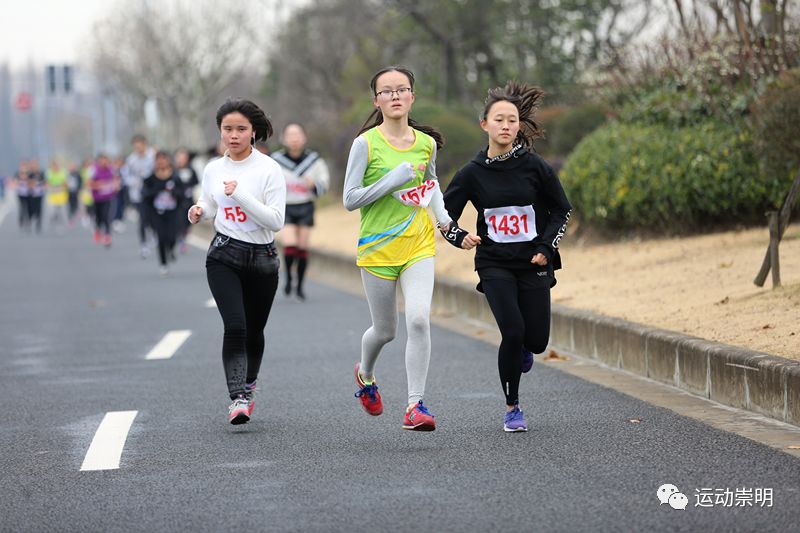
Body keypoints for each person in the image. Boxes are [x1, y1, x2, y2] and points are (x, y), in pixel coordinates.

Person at [441, 81, 572, 432]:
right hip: (494, 262)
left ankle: (524, 350)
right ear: (484, 124)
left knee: (537, 341)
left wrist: (546, 248)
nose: (506, 126)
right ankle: (513, 407)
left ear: (518, 126)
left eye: (512, 120)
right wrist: (459, 237)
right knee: (512, 332)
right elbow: (442, 215)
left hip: (533, 262)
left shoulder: (535, 166)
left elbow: (563, 209)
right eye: (498, 119)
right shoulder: (471, 173)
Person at [343, 66, 453, 431]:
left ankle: (414, 405)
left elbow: (432, 183)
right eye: (386, 91)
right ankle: (366, 375)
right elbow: (350, 199)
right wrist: (392, 179)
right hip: (377, 249)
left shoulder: (426, 143)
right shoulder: (366, 144)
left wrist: (444, 219)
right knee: (385, 330)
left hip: (418, 243)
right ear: (376, 100)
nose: (394, 96)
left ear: (411, 96)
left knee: (419, 319)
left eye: (401, 89)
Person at [188, 98, 286, 425]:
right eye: (227, 129)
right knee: (235, 325)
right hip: (224, 254)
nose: (233, 135)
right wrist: (201, 211)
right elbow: (211, 201)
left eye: (241, 129)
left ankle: (249, 383)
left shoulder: (269, 169)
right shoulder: (214, 169)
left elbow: (275, 221)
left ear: (253, 132)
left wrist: (239, 194)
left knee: (254, 330)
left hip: (263, 258)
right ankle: (238, 398)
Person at [271, 123, 330, 300]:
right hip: (286, 206)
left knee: (303, 246)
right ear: (283, 139)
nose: (294, 138)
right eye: (290, 134)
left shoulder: (314, 160)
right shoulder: (275, 161)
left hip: (305, 205)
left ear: (304, 137)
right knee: (290, 244)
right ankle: (288, 276)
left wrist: (315, 185)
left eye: (298, 134)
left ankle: (300, 284)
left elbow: (324, 183)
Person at [142, 152, 185, 276]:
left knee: (172, 237)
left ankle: (170, 249)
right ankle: (163, 264)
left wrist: (173, 192)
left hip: (173, 211)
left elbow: (181, 195)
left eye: (163, 159)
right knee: (161, 237)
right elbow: (145, 195)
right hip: (156, 212)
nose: (161, 162)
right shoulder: (150, 178)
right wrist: (159, 189)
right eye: (158, 159)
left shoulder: (175, 177)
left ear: (168, 161)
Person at [123, 135, 156, 257]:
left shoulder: (152, 157)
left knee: (152, 217)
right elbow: (126, 177)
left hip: (152, 193)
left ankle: (153, 233)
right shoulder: (131, 160)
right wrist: (134, 182)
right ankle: (144, 244)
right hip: (138, 194)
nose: (138, 148)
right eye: (136, 146)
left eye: (140, 145)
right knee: (142, 219)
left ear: (144, 144)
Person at [89, 154, 120, 248]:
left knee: (107, 216)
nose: (104, 162)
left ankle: (107, 235)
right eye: (102, 160)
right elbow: (89, 183)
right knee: (98, 217)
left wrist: (116, 186)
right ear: (98, 161)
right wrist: (98, 184)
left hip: (108, 198)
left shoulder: (111, 169)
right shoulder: (94, 170)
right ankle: (98, 230)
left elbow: (116, 180)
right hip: (97, 198)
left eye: (106, 160)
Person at [174, 148, 199, 254]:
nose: (182, 159)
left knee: (188, 222)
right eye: (180, 157)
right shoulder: (174, 171)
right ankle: (181, 239)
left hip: (189, 201)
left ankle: (184, 237)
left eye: (184, 157)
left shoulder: (191, 170)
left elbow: (196, 182)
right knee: (179, 222)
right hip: (177, 201)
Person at [45, 159, 69, 234]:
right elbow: (47, 183)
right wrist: (52, 187)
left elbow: (66, 183)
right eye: (54, 166)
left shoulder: (63, 172)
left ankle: (61, 225)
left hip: (62, 196)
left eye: (56, 166)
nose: (55, 167)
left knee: (62, 213)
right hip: (52, 196)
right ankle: (52, 221)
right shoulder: (49, 172)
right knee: (52, 212)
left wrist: (60, 187)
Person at [14, 160, 31, 232]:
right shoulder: (17, 174)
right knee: (21, 207)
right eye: (22, 166)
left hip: (28, 193)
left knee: (27, 208)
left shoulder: (29, 174)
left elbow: (32, 183)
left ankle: (28, 221)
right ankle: (21, 221)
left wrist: (27, 179)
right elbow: (15, 183)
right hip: (20, 194)